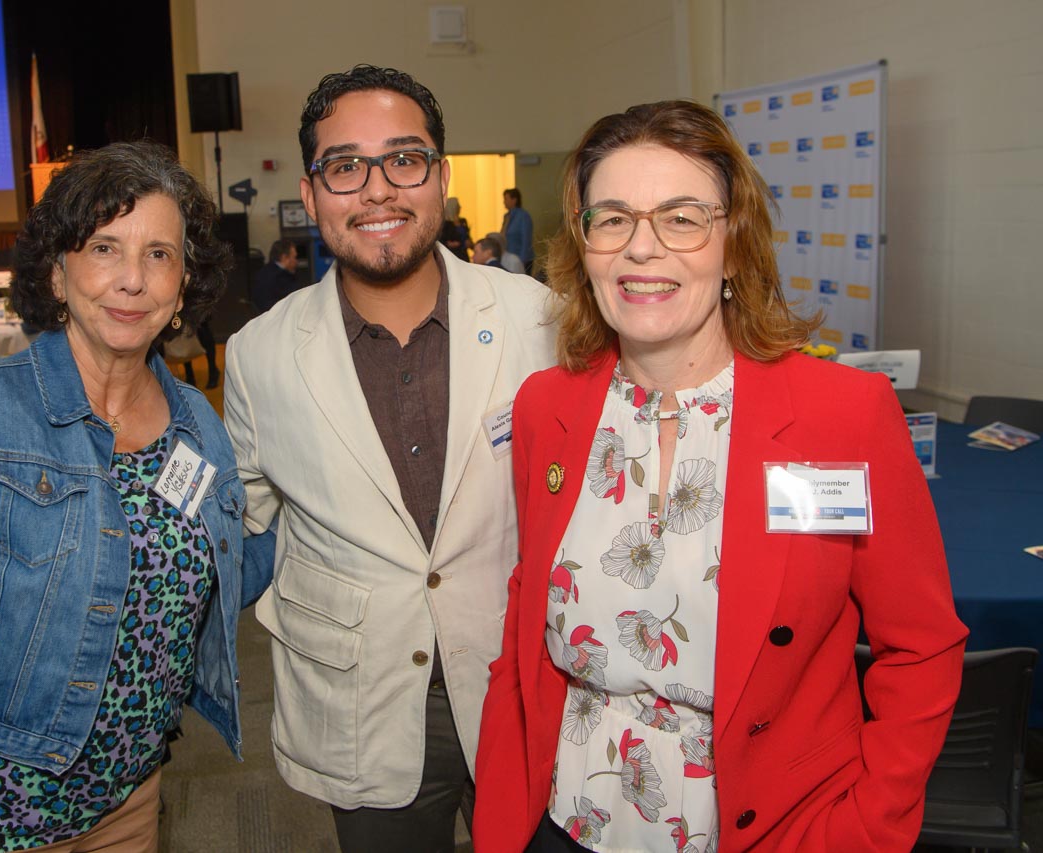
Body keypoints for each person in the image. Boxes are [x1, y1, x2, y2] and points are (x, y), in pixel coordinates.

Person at [473, 100, 967, 853]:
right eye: (612, 219)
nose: (642, 248)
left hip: (776, 827)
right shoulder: (549, 408)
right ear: (585, 246)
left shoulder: (843, 414)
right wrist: (503, 809)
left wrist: (868, 825)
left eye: (681, 218)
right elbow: (525, 627)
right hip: (565, 818)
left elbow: (921, 647)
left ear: (734, 246)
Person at [0, 140, 268, 852]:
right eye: (104, 248)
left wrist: (319, 512)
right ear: (58, 274)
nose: (133, 279)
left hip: (131, 802)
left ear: (183, 282)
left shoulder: (198, 427)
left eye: (159, 254)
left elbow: (213, 579)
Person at [224, 65, 555, 852]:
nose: (377, 190)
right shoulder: (259, 354)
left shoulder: (541, 319)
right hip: (363, 701)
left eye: (404, 159)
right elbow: (244, 529)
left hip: (523, 683)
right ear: (310, 194)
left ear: (441, 176)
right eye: (345, 166)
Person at [252, 238, 301, 313]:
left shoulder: (264, 272)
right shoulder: (281, 278)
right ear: (284, 258)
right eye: (294, 257)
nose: (296, 261)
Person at [501, 187, 534, 274]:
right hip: (508, 259)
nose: (504, 202)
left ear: (514, 200)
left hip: (520, 259)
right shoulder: (506, 216)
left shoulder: (523, 216)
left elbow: (526, 239)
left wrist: (522, 261)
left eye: (506, 199)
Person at [441, 197, 472, 261]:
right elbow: (441, 240)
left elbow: (467, 236)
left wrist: (469, 242)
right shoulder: (444, 224)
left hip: (463, 254)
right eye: (458, 205)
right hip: (452, 254)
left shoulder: (463, 221)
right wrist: (449, 244)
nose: (460, 207)